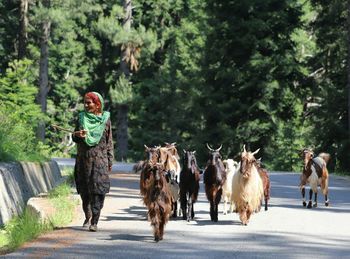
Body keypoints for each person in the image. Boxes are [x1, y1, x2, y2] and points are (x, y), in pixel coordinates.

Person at [72, 92, 114, 232]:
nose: (86, 105)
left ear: (97, 104)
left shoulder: (105, 119)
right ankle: (88, 215)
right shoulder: (81, 118)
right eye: (85, 102)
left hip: (100, 160)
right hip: (83, 160)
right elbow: (75, 136)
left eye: (89, 102)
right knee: (84, 191)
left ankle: (95, 220)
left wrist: (110, 160)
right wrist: (77, 135)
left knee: (98, 191)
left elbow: (109, 141)